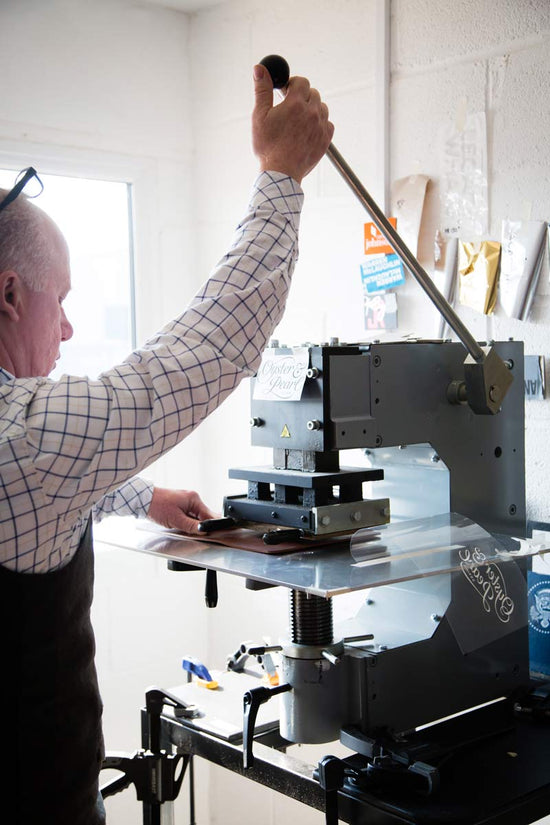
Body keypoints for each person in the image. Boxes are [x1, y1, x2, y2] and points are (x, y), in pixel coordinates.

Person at [0, 64, 333, 824]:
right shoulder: (21, 434)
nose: (68, 328)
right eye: (62, 301)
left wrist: (141, 495)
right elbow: (200, 355)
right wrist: (281, 175)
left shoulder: (25, 455)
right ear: (10, 294)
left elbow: (41, 491)